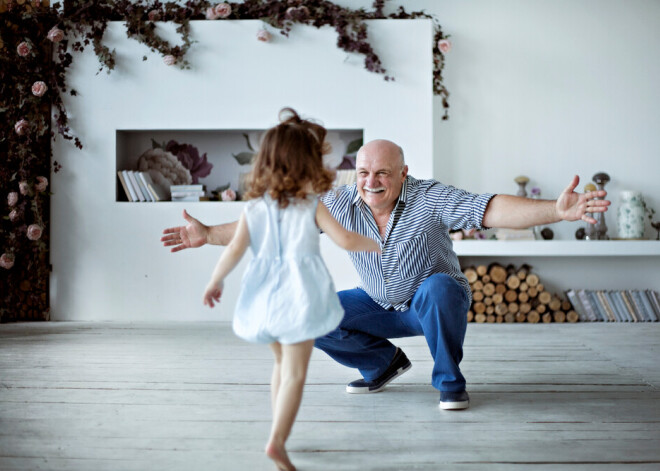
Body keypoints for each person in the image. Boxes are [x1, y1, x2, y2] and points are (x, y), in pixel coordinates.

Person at [165, 135, 610, 413]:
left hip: (432, 302)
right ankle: (382, 363)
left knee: (437, 286)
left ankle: (450, 384)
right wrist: (206, 233)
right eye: (363, 172)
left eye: (382, 172)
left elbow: (489, 208)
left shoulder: (430, 197)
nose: (371, 180)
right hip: (379, 303)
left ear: (403, 173)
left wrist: (555, 209)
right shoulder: (337, 203)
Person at [201, 108, 380, 471]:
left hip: (264, 296)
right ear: (308, 164)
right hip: (300, 296)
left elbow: (235, 249)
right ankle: (278, 443)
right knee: (297, 373)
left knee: (281, 365)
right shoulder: (311, 205)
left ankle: (276, 432)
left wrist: (215, 281)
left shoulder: (254, 209)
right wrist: (375, 244)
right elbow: (344, 239)